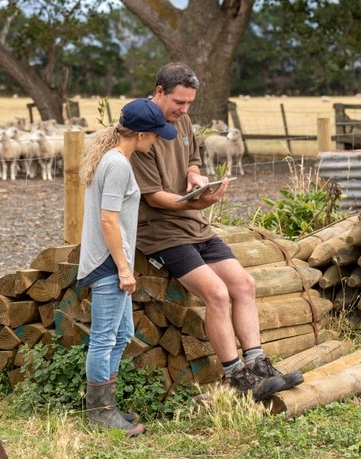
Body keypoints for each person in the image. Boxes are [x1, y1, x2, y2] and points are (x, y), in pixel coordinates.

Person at [130, 63, 304, 402]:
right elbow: (152, 196)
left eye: (189, 104)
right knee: (217, 294)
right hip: (161, 231)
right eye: (178, 102)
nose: (183, 110)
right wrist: (193, 204)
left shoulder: (183, 121)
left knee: (244, 284)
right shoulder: (140, 130)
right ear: (159, 91)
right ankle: (235, 376)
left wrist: (196, 178)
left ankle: (258, 365)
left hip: (195, 225)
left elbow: (192, 159)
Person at [77, 98, 177, 435]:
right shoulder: (118, 165)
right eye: (155, 135)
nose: (157, 140)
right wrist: (123, 268)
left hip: (112, 260)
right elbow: (108, 220)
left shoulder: (113, 159)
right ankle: (100, 413)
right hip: (109, 263)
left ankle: (109, 404)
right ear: (140, 134)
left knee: (122, 334)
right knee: (105, 338)